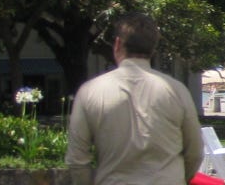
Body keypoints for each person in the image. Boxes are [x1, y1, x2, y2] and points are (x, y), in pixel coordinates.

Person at [66, 13, 204, 185]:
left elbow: (77, 160)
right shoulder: (177, 91)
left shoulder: (89, 92)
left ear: (117, 44)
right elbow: (195, 153)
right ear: (153, 48)